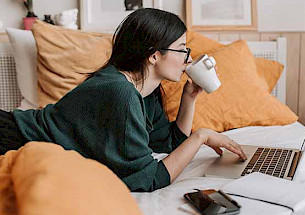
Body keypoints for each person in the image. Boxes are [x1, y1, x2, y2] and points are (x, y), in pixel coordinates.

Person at [0, 8, 246, 192]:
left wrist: (189, 98)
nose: (187, 58)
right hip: (11, 138)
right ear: (153, 56)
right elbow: (149, 179)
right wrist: (200, 136)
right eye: (182, 49)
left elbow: (168, 146)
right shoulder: (121, 93)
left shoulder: (145, 91)